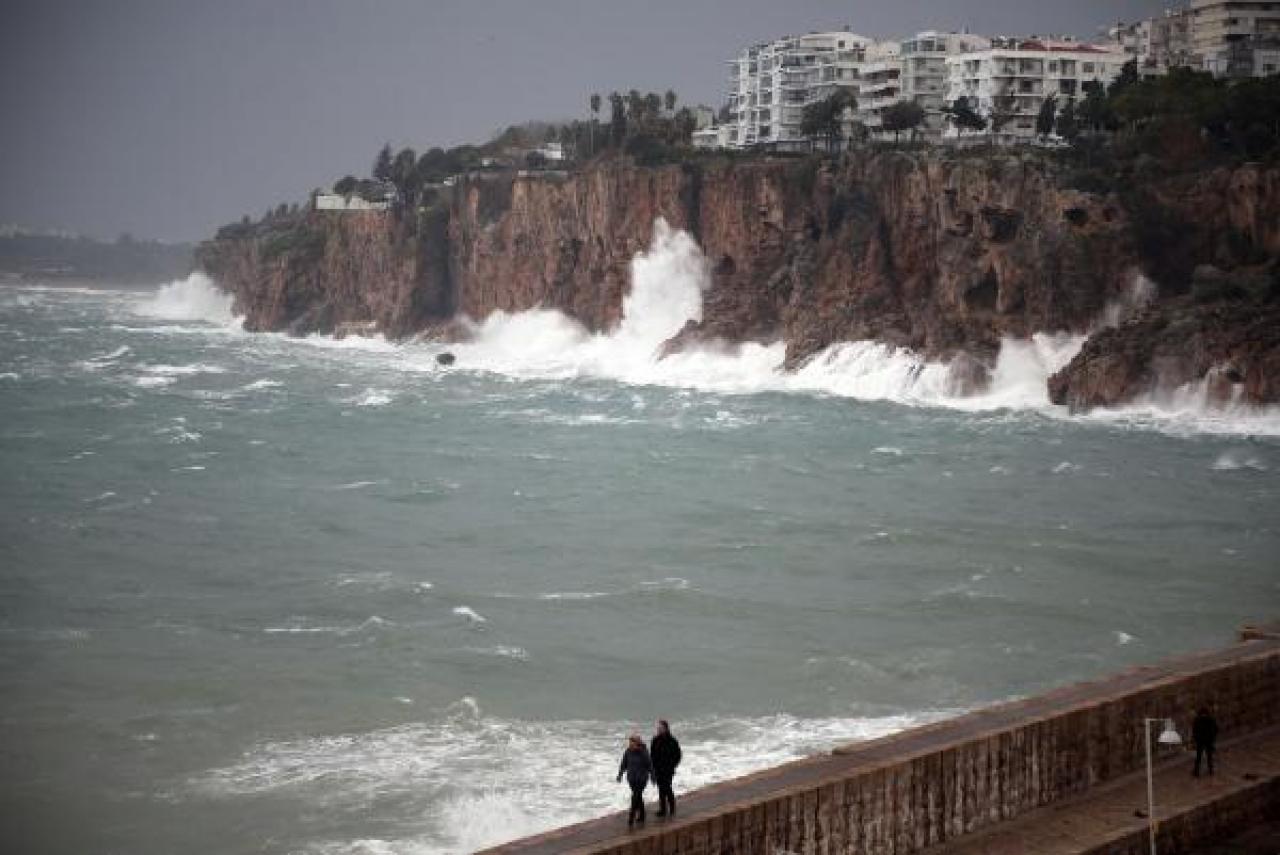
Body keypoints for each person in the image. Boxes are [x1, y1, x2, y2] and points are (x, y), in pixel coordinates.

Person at [616, 734, 653, 827]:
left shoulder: (643, 752)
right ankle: (642, 815)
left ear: (637, 743)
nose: (630, 744)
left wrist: (653, 776)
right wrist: (620, 775)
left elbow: (649, 765)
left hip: (642, 779)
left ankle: (631, 818)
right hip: (632, 779)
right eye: (630, 742)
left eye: (632, 742)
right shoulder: (628, 751)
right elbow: (623, 764)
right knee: (638, 797)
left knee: (635, 797)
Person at [650, 719, 683, 817]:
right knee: (661, 789)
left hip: (668, 769)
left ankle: (672, 807)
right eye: (658, 728)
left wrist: (673, 765)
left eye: (660, 728)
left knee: (667, 787)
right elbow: (652, 755)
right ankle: (663, 809)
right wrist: (652, 769)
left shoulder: (672, 741)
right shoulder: (655, 740)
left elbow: (678, 755)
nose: (658, 730)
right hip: (658, 769)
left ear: (665, 728)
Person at [1192, 706, 1218, 777]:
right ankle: (1210, 770)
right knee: (1209, 756)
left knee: (1198, 757)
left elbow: (1194, 731)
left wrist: (1196, 739)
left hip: (1200, 741)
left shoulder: (1197, 720)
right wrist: (1213, 738)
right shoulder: (1211, 719)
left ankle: (1196, 771)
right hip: (1209, 740)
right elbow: (1216, 729)